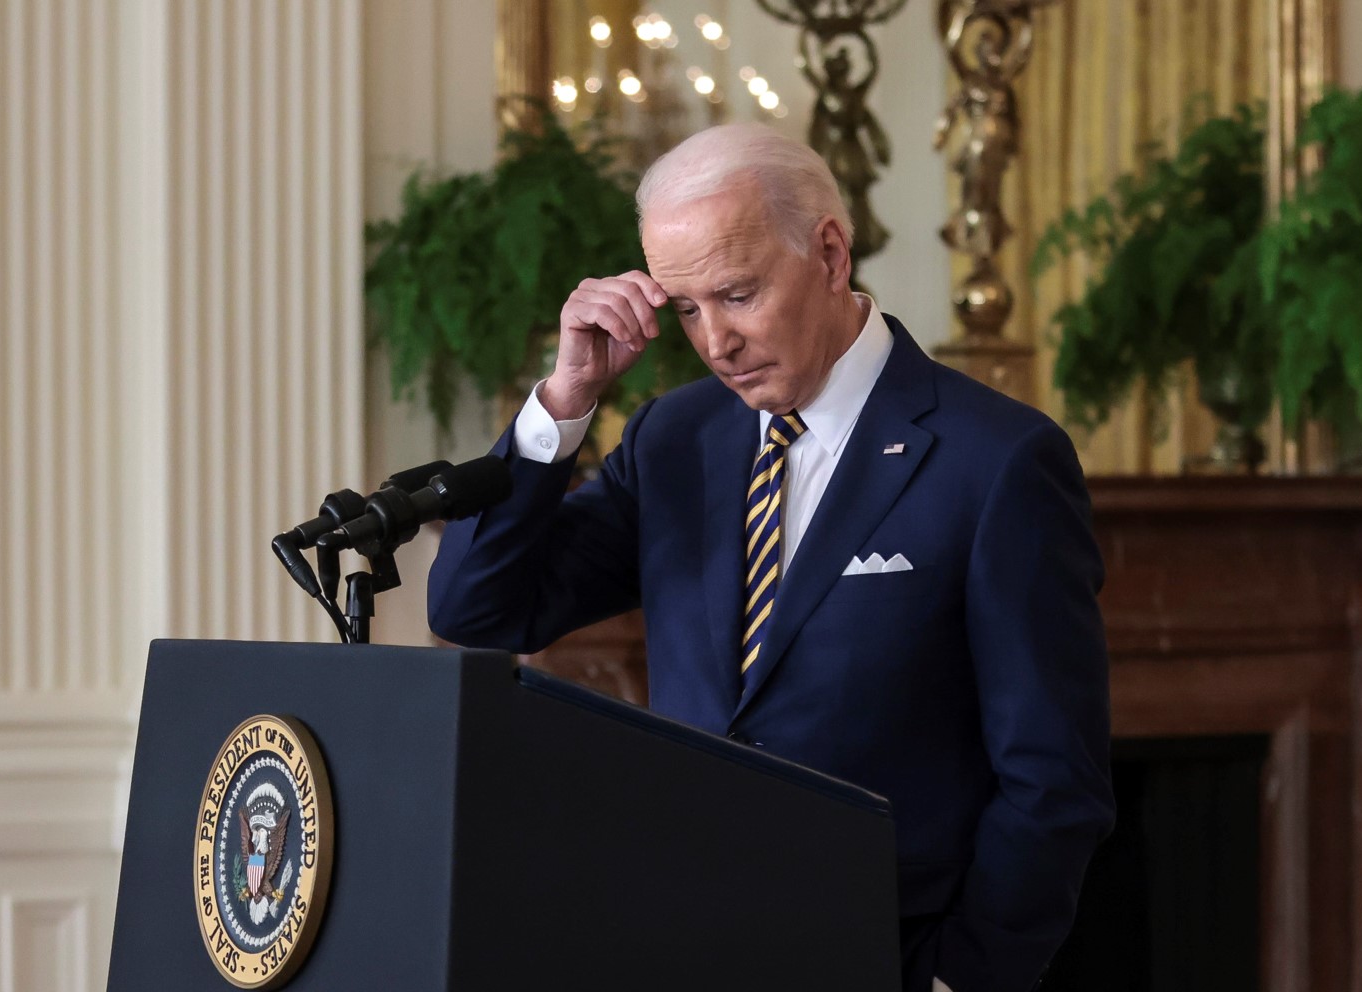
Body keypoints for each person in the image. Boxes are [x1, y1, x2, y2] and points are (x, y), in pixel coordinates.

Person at [429, 122, 1114, 992]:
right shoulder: (674, 439)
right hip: (685, 951)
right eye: (685, 309)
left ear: (829, 253)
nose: (714, 342)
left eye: (737, 294)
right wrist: (564, 401)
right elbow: (479, 611)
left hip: (889, 956)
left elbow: (1053, 777)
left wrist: (958, 980)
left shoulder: (997, 459)